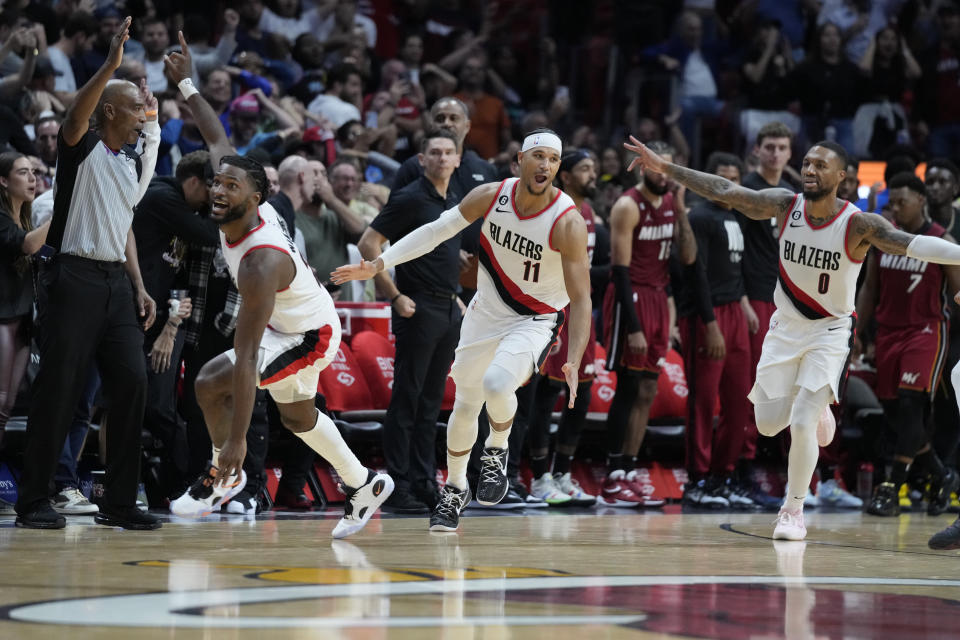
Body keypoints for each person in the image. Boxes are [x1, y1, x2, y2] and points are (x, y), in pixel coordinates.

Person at [622, 135, 960, 541]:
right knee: (766, 425)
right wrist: (667, 167)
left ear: (841, 176)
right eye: (807, 163)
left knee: (800, 424)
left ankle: (792, 510)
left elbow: (913, 245)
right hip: (785, 326)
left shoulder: (858, 223)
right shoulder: (785, 205)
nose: (810, 170)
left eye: (820, 165)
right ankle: (817, 409)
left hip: (830, 331)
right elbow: (727, 191)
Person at [164, 31, 393, 538]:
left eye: (230, 187)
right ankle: (364, 484)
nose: (219, 192)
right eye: (217, 184)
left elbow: (245, 359)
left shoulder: (259, 262)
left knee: (209, 382)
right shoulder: (250, 198)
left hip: (309, 334)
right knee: (297, 418)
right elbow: (217, 139)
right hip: (291, 324)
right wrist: (185, 83)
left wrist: (236, 443)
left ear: (257, 197)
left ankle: (224, 473)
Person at [333, 128, 592, 532]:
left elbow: (583, 297)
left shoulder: (568, 222)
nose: (545, 165)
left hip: (535, 317)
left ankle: (497, 450)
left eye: (553, 160)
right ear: (519, 160)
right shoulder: (491, 195)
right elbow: (436, 232)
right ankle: (454, 490)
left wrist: (574, 357)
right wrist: (379, 264)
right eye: (538, 156)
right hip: (486, 310)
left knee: (495, 384)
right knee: (466, 403)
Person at [15, 17, 161, 531]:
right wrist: (108, 66)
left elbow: (124, 223)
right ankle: (35, 498)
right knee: (60, 389)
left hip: (114, 283)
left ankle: (119, 500)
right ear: (110, 112)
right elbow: (74, 118)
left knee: (132, 383)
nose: (144, 110)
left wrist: (139, 285)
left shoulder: (126, 160)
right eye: (135, 105)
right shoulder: (84, 150)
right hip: (71, 277)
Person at [356, 129, 463, 513]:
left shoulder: (454, 199)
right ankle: (397, 486)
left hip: (448, 309)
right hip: (416, 308)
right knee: (407, 399)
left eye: (448, 152)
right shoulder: (409, 197)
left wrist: (458, 300)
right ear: (421, 159)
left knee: (431, 403)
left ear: (458, 159)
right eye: (434, 152)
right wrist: (394, 295)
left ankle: (423, 481)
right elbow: (368, 244)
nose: (441, 158)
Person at [855, 173, 960, 517]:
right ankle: (941, 474)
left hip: (926, 331)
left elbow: (958, 294)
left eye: (903, 202)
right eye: (892, 203)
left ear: (921, 201)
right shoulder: (884, 239)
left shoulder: (941, 240)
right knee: (894, 412)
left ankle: (892, 484)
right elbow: (870, 288)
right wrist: (856, 331)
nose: (896, 209)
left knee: (911, 405)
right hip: (888, 332)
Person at [601, 141, 696, 507]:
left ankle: (629, 469)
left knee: (647, 391)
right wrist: (635, 327)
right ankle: (612, 477)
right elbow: (619, 272)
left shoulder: (673, 204)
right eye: (657, 167)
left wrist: (683, 209)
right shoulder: (627, 205)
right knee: (627, 387)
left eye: (668, 168)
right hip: (632, 300)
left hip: (659, 297)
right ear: (642, 168)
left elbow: (687, 257)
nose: (663, 174)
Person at [676, 152, 753, 510]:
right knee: (704, 402)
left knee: (739, 401)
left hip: (735, 312)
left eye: (732, 179)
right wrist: (710, 325)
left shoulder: (734, 215)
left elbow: (733, 273)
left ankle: (724, 475)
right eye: (720, 178)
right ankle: (697, 478)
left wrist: (744, 303)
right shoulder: (700, 217)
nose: (726, 185)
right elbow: (698, 275)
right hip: (707, 318)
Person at [526, 149, 600, 506]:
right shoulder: (555, 211)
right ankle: (539, 477)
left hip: (582, 311)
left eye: (594, 168)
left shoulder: (589, 214)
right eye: (585, 169)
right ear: (565, 176)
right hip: (555, 308)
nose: (593, 174)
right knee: (546, 395)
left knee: (581, 395)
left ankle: (563, 474)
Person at [737, 122, 796, 509]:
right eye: (769, 147)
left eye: (782, 148)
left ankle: (798, 476)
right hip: (755, 298)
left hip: (789, 304)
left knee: (791, 390)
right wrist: (741, 298)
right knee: (754, 389)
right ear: (756, 150)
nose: (775, 153)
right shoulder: (748, 191)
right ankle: (745, 472)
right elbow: (733, 250)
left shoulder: (799, 198)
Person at [0, 153, 46, 460]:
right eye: (22, 173)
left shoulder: (25, 218)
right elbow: (27, 245)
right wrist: (63, 215)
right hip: (2, 319)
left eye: (33, 172)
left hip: (22, 320)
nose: (32, 178)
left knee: (6, 408)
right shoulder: (2, 218)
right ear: (3, 181)